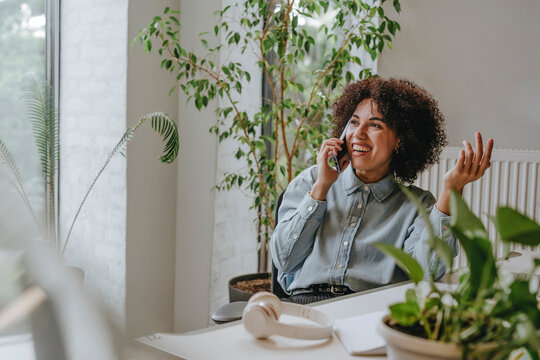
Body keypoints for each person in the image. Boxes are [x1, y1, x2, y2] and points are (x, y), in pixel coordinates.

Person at [270, 77, 493, 305]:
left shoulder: (417, 205)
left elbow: (427, 275)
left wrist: (451, 191)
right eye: (354, 122)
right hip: (303, 306)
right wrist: (321, 188)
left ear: (400, 140)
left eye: (375, 125)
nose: (359, 133)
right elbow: (284, 259)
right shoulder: (310, 181)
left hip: (370, 314)